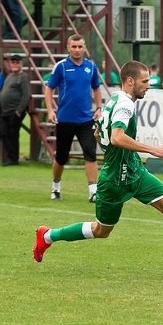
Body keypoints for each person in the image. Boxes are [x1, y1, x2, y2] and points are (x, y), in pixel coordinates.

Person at [33, 61, 163, 275]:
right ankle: (47, 236)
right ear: (130, 81)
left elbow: (99, 134)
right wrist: (152, 150)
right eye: (144, 81)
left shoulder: (116, 99)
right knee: (101, 231)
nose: (149, 85)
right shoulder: (125, 104)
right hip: (115, 178)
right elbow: (117, 137)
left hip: (135, 171)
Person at [44, 34, 102, 202]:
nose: (77, 50)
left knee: (90, 154)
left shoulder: (90, 67)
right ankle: (55, 187)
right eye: (74, 47)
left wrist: (98, 108)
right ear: (68, 47)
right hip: (65, 120)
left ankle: (93, 192)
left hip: (85, 120)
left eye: (80, 47)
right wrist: (50, 110)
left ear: (84, 48)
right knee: (61, 157)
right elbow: (49, 89)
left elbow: (96, 88)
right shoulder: (60, 67)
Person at [0, 54, 30, 166]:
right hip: (5, 110)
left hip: (15, 111)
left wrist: (19, 110)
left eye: (17, 62)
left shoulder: (23, 77)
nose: (14, 64)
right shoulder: (9, 76)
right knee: (3, 133)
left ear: (21, 64)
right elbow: (2, 91)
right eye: (13, 62)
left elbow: (26, 95)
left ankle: (13, 159)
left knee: (13, 134)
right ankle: (11, 157)